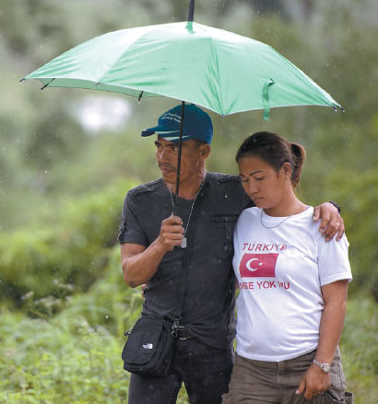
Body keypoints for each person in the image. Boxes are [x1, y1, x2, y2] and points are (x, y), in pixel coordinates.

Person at [118, 105, 345, 404]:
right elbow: (131, 275)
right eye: (159, 147)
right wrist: (159, 245)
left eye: (174, 148)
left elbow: (285, 209)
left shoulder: (235, 193)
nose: (162, 157)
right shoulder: (140, 200)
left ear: (204, 151)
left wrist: (329, 207)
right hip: (154, 340)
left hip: (212, 346)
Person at [221, 131, 352, 403]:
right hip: (251, 370)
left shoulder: (321, 226)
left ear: (285, 171)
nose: (252, 189)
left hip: (306, 362)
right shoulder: (244, 220)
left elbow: (336, 302)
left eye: (259, 178)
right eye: (245, 181)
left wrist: (322, 364)